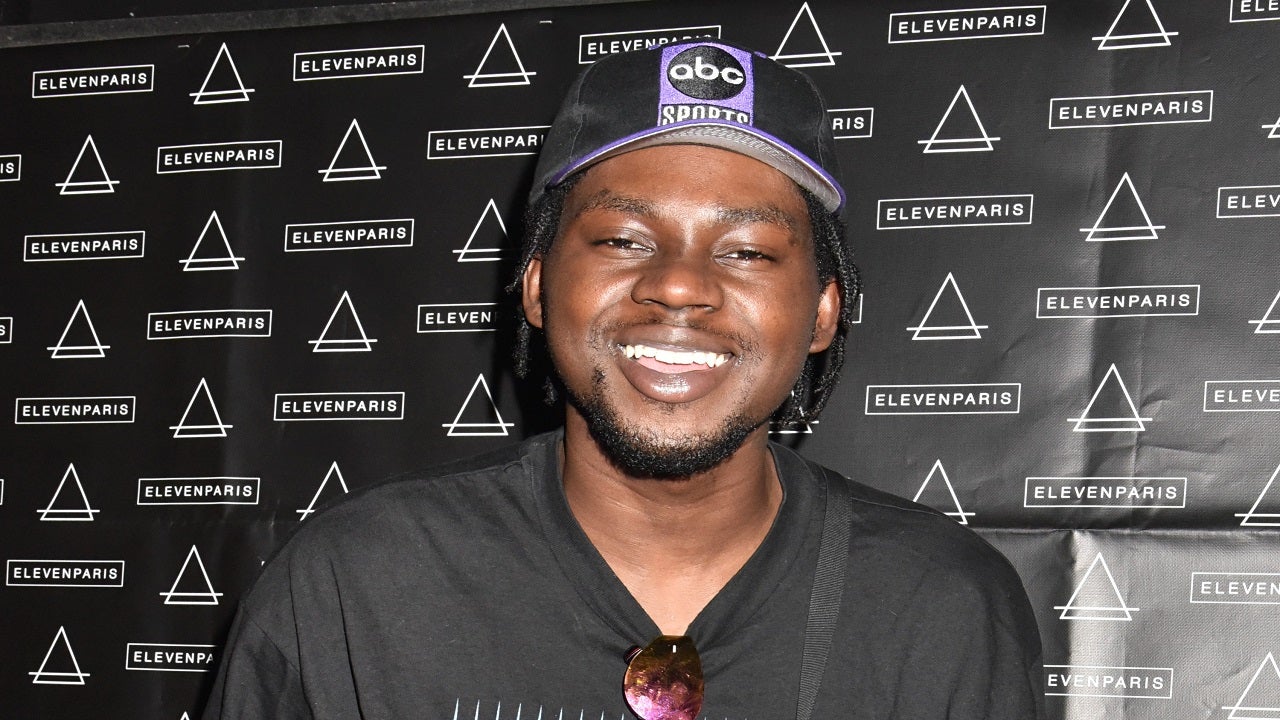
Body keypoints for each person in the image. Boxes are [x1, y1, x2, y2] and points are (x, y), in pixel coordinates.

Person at [203, 39, 1044, 720]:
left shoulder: (942, 604)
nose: (678, 285)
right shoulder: (356, 583)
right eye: (621, 240)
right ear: (536, 288)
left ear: (825, 311)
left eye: (748, 251)